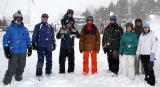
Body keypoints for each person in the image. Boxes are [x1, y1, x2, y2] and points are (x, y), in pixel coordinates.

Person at [2, 10, 32, 85]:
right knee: (11, 67)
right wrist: (6, 49)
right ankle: (6, 81)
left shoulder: (24, 29)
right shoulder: (10, 28)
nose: (18, 20)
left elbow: (27, 38)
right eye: (17, 18)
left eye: (20, 18)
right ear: (14, 18)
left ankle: (18, 76)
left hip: (23, 51)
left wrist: (29, 47)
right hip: (14, 51)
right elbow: (5, 39)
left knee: (22, 66)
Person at [32, 13, 56, 79]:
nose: (45, 18)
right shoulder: (38, 26)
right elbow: (34, 35)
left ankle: (48, 72)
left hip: (48, 46)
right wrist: (34, 43)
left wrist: (53, 43)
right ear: (41, 18)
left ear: (47, 18)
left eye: (46, 17)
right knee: (40, 60)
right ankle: (39, 74)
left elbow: (52, 36)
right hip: (40, 46)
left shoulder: (50, 26)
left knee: (49, 60)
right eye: (44, 17)